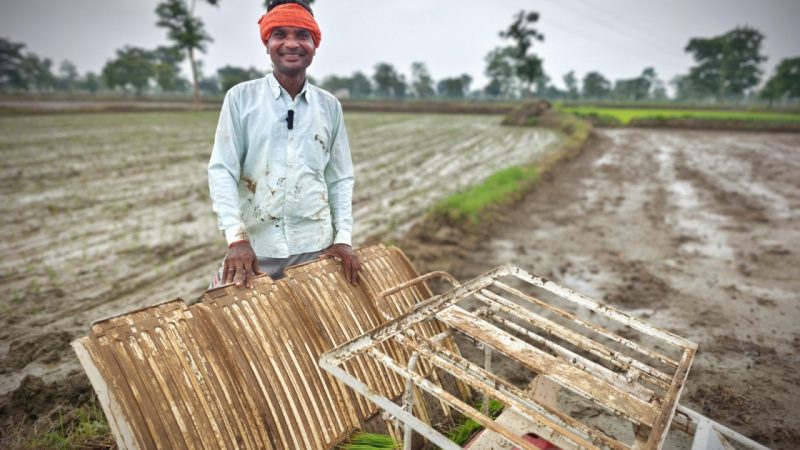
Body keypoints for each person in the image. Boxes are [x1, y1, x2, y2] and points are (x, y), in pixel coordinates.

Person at [208, 0, 360, 289]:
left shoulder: (329, 106)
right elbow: (222, 170)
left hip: (316, 248)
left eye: (302, 35)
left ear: (314, 44)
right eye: (280, 34)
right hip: (254, 252)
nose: (292, 44)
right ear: (267, 43)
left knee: (320, 331)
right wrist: (236, 239)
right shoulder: (241, 99)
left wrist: (342, 240)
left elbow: (339, 178)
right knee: (230, 322)